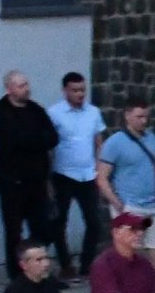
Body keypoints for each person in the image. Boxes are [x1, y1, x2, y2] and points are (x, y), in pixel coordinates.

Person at [0, 70, 58, 273]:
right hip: (12, 181)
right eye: (21, 86)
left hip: (37, 180)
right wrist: (36, 139)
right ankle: (16, 272)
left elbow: (53, 138)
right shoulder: (2, 110)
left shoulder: (36, 110)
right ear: (9, 89)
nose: (26, 89)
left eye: (26, 84)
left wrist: (32, 139)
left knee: (42, 227)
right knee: (13, 228)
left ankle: (37, 266)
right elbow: (13, 138)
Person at [45, 72, 108, 267]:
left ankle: (86, 264)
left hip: (87, 175)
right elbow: (49, 147)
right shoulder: (54, 113)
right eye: (75, 90)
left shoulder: (93, 112)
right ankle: (65, 265)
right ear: (65, 91)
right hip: (62, 174)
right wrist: (48, 177)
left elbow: (98, 141)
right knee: (59, 222)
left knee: (94, 222)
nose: (80, 94)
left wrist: (99, 167)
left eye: (82, 90)